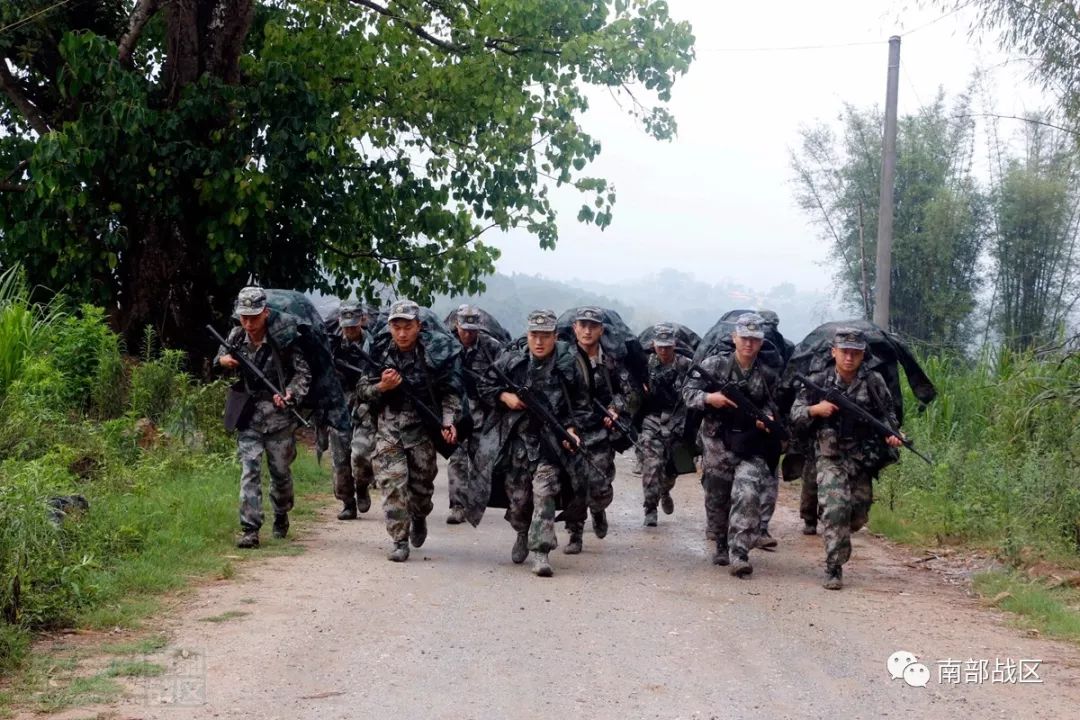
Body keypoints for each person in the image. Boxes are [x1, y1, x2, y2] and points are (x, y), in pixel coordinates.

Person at [477, 310, 589, 576]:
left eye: (545, 336)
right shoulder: (512, 362)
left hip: (550, 443)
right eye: (534, 335)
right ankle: (521, 532)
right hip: (517, 443)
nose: (539, 342)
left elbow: (582, 404)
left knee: (545, 493)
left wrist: (572, 429)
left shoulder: (567, 364)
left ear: (555, 336)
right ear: (527, 335)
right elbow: (483, 386)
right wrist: (505, 397)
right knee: (518, 501)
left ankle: (541, 551)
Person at [789, 327, 902, 590]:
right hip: (829, 454)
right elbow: (795, 415)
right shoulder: (819, 380)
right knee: (836, 508)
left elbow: (887, 416)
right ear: (834, 353)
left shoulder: (873, 381)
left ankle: (831, 523)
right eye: (844, 352)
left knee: (858, 514)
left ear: (863, 356)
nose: (849, 358)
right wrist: (816, 410)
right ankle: (834, 566)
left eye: (855, 353)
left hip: (862, 456)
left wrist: (893, 434)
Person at [356, 300, 465, 562]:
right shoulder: (379, 352)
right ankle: (399, 540)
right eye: (396, 327)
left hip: (422, 431)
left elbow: (450, 393)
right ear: (390, 328)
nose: (402, 333)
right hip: (389, 430)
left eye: (407, 327)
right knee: (392, 485)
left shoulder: (434, 354)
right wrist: (382, 387)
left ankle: (419, 516)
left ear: (419, 326)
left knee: (422, 489)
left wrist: (449, 421)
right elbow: (362, 391)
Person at [682, 313, 780, 578]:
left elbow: (775, 404)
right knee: (717, 496)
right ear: (735, 338)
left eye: (755, 339)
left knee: (747, 495)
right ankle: (722, 542)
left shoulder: (767, 373)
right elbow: (688, 393)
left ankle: (740, 553)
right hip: (717, 441)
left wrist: (769, 419)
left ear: (761, 343)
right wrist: (709, 398)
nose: (749, 344)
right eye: (745, 338)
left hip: (751, 443)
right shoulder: (714, 365)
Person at [215, 286, 311, 549]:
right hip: (248, 416)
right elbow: (216, 361)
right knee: (249, 471)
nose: (248, 323)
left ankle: (281, 512)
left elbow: (302, 374)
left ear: (265, 314)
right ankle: (250, 529)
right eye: (244, 317)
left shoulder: (284, 338)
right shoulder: (236, 336)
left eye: (254, 317)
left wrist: (290, 394)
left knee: (281, 474)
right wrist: (223, 362)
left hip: (279, 419)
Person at [565, 307, 642, 554]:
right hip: (571, 429)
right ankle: (574, 533)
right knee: (574, 483)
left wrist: (615, 408)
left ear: (601, 330)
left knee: (599, 483)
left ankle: (598, 510)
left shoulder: (611, 360)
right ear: (574, 328)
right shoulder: (564, 358)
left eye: (593, 326)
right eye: (582, 325)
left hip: (600, 432)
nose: (587, 331)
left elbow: (630, 392)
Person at [446, 305, 505, 525]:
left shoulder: (492, 348)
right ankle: (458, 506)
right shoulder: (447, 345)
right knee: (457, 458)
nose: (469, 334)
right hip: (456, 411)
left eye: (473, 329)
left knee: (482, 461)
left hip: (484, 412)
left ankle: (476, 504)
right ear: (457, 325)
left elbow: (503, 377)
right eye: (464, 329)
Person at [327, 300, 377, 520]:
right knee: (340, 461)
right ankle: (348, 502)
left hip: (364, 405)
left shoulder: (374, 345)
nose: (349, 330)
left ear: (362, 321)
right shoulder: (332, 344)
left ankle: (363, 486)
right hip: (338, 407)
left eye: (354, 325)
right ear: (339, 322)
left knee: (361, 455)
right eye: (346, 325)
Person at [639, 324, 692, 526]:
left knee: (672, 470)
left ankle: (665, 490)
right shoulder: (646, 365)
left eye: (667, 347)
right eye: (660, 346)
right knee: (652, 465)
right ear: (653, 345)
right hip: (652, 421)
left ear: (674, 345)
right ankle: (650, 509)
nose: (663, 351)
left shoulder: (685, 365)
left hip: (677, 422)